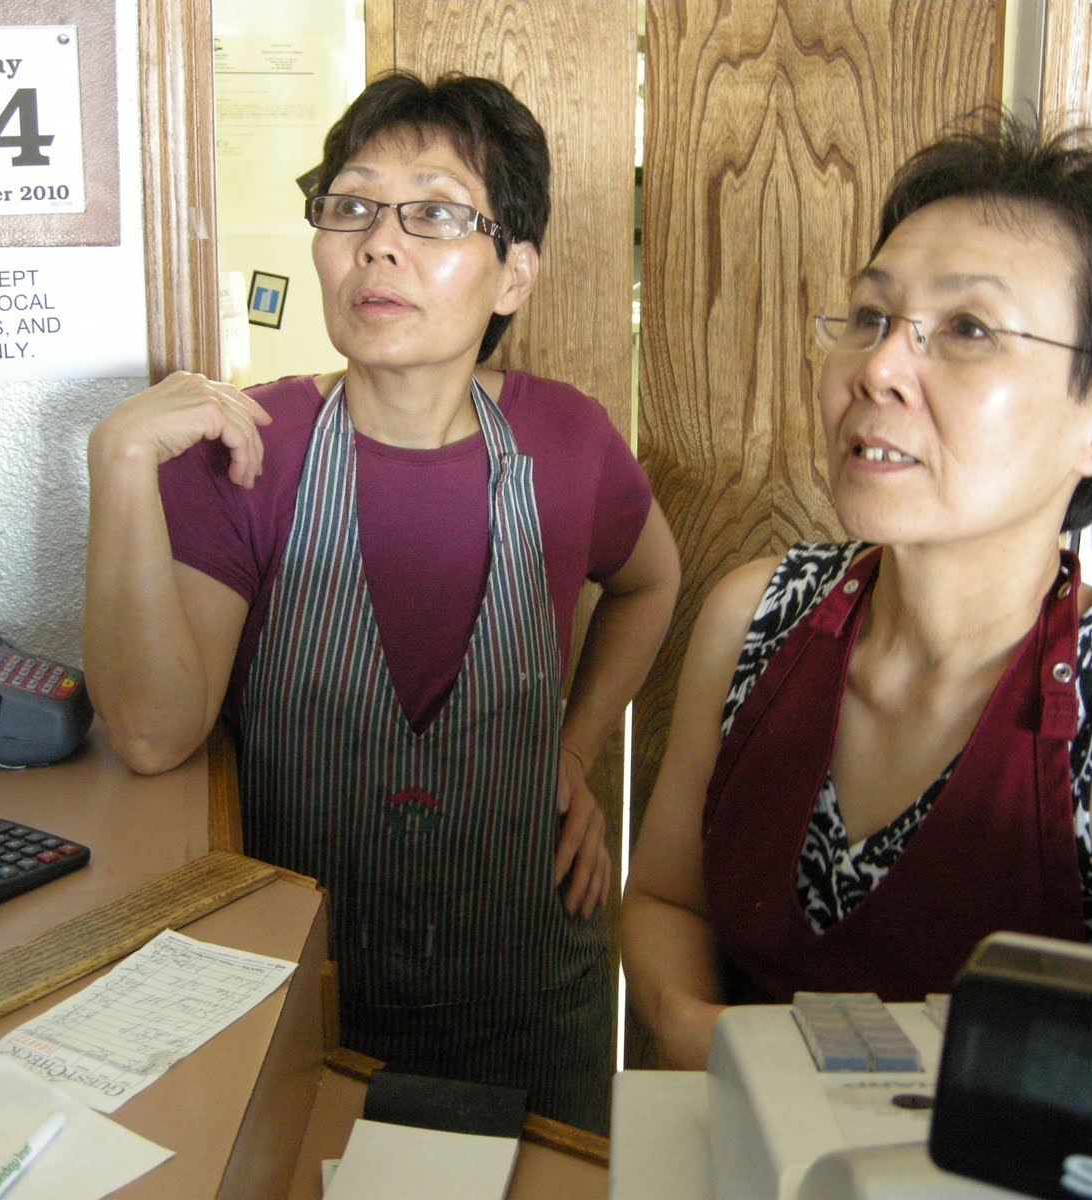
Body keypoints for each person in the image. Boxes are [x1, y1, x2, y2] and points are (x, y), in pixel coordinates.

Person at [84, 70, 679, 1130]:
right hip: (307, 987)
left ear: (513, 274)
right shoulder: (246, 452)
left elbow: (649, 581)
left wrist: (573, 749)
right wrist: (122, 463)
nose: (378, 243)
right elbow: (149, 734)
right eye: (350, 206)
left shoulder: (569, 442)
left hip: (531, 988)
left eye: (436, 213)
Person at [621, 114, 1092, 1070]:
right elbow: (669, 900)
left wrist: (814, 1084)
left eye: (968, 329)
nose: (878, 368)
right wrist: (711, 1048)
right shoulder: (754, 617)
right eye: (873, 318)